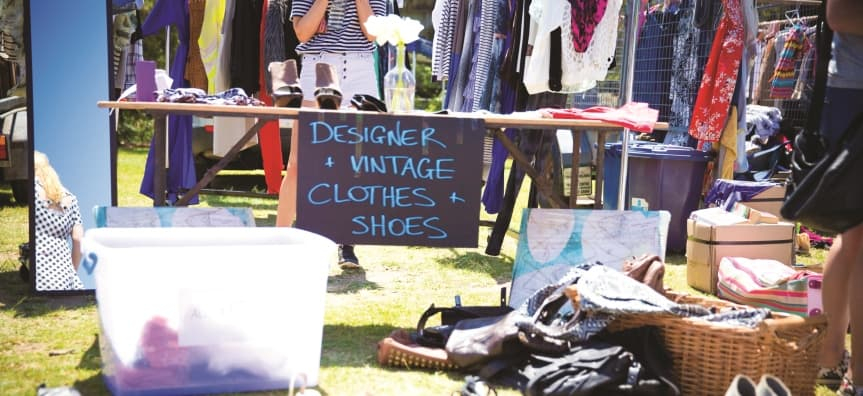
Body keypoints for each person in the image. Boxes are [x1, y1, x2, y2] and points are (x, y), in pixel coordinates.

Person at [275, 0, 387, 269]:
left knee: (353, 163)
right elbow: (302, 32)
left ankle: (346, 243)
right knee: (299, 163)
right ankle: (279, 239)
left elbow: (373, 33)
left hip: (360, 69)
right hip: (318, 67)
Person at [814, 1, 863, 394]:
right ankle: (858, 377)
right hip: (855, 93)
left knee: (853, 234)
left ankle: (831, 360)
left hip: (850, 90)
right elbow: (840, 15)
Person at [33, 151, 84, 290]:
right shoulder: (71, 198)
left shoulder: (33, 191)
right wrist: (71, 272)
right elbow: (78, 239)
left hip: (39, 271)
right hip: (66, 276)